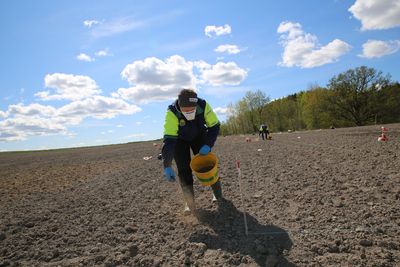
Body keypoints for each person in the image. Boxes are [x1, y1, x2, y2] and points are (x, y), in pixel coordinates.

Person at [161, 89, 223, 214]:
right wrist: (166, 165)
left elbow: (214, 126)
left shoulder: (203, 105)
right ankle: (189, 203)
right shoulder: (172, 112)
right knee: (183, 169)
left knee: (207, 163)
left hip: (199, 136)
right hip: (179, 140)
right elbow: (169, 140)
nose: (189, 112)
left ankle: (217, 194)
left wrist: (208, 145)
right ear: (179, 105)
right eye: (186, 110)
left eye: (192, 110)